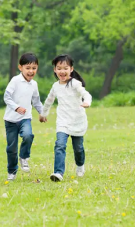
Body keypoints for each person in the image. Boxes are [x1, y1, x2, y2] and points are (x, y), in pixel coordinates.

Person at [40, 54, 92, 182]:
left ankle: (80, 166)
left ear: (71, 69)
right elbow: (49, 101)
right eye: (59, 68)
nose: (62, 71)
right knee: (60, 145)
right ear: (55, 70)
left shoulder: (75, 83)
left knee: (78, 148)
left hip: (77, 120)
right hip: (63, 122)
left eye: (65, 68)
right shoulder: (55, 86)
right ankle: (58, 173)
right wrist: (43, 113)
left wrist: (87, 102)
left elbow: (85, 93)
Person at [3, 53, 45, 181]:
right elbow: (6, 97)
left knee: (28, 135)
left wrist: (42, 112)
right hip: (10, 120)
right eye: (28, 68)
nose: (31, 71)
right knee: (11, 148)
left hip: (25, 118)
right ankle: (12, 171)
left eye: (34, 68)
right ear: (20, 67)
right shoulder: (15, 81)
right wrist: (16, 107)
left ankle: (24, 157)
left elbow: (36, 101)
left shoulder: (34, 84)